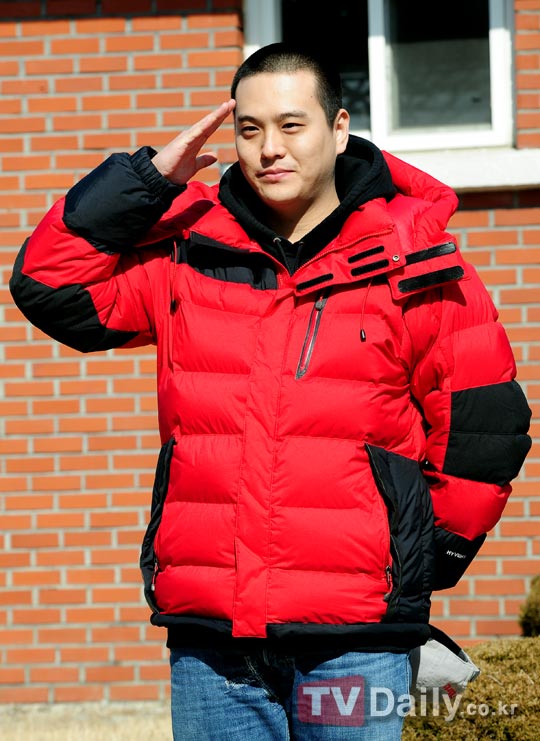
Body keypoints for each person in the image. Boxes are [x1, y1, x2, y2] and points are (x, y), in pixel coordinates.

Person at [10, 42, 531, 740]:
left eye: (291, 125)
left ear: (339, 129)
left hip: (354, 644)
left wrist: (418, 556)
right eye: (249, 129)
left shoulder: (414, 260)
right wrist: (148, 180)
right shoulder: (189, 252)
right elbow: (49, 286)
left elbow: (483, 421)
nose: (269, 149)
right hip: (213, 641)